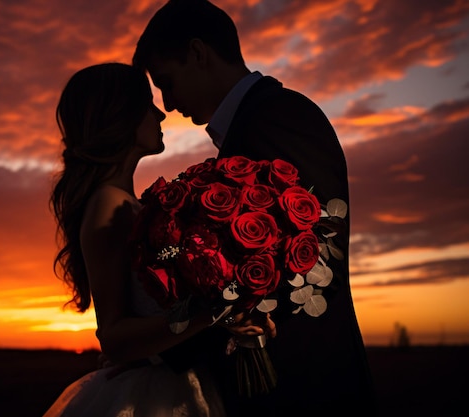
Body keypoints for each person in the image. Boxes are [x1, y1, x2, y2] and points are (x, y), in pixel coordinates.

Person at [133, 1, 378, 416]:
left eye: (167, 83)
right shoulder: (257, 122)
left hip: (306, 387)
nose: (169, 104)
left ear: (198, 53)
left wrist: (167, 347)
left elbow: (310, 264)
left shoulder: (280, 117)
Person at [41, 62, 270, 417]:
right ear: (120, 115)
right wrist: (214, 313)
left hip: (182, 381)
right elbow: (114, 338)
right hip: (155, 396)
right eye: (147, 104)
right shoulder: (108, 204)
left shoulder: (124, 202)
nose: (160, 114)